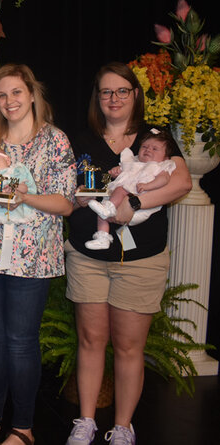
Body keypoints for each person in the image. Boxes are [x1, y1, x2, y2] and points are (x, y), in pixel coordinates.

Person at [64, 62, 190, 445]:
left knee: (129, 345)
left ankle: (122, 428)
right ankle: (85, 422)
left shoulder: (155, 137)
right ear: (96, 98)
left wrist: (133, 201)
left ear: (135, 94)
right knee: (90, 339)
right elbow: (72, 193)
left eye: (122, 91)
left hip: (141, 261)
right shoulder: (83, 139)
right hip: (88, 256)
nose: (114, 98)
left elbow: (181, 182)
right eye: (106, 92)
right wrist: (81, 198)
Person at [0, 64, 75, 445]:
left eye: (16, 92)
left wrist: (23, 198)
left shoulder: (55, 141)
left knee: (21, 341)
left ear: (31, 94)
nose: (9, 101)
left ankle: (23, 427)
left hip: (34, 257)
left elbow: (65, 203)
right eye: (1, 95)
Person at [84, 129, 177, 250]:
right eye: (144, 146)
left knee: (120, 190)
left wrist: (148, 186)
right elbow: (123, 170)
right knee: (101, 212)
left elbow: (164, 179)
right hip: (119, 200)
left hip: (139, 200)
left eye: (155, 149)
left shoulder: (161, 166)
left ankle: (108, 208)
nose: (148, 149)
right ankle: (103, 238)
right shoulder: (134, 161)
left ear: (166, 157)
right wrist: (116, 171)